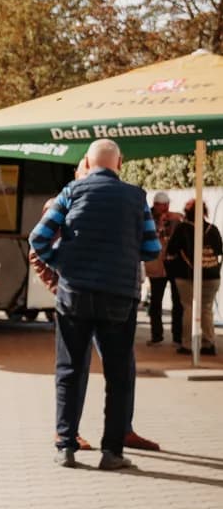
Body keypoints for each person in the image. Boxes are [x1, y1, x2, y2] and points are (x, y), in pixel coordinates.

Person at [28, 138, 160, 471]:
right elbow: (152, 249)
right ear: (120, 162)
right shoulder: (136, 197)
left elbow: (38, 238)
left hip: (75, 294)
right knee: (118, 375)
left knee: (70, 370)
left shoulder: (71, 192)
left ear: (87, 161)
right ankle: (112, 452)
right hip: (119, 296)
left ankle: (66, 446)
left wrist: (63, 265)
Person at [166, 198, 221, 357]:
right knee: (206, 309)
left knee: (189, 308)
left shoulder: (183, 228)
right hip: (212, 276)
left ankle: (188, 344)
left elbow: (171, 249)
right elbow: (218, 252)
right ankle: (208, 343)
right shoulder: (213, 229)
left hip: (187, 275)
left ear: (187, 212)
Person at [145, 194, 180, 347]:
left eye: (167, 204)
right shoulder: (147, 218)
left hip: (172, 264)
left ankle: (178, 336)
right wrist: (159, 223)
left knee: (177, 301)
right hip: (156, 265)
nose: (165, 208)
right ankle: (156, 335)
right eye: (162, 205)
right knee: (156, 302)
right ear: (155, 204)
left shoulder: (174, 218)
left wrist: (177, 218)